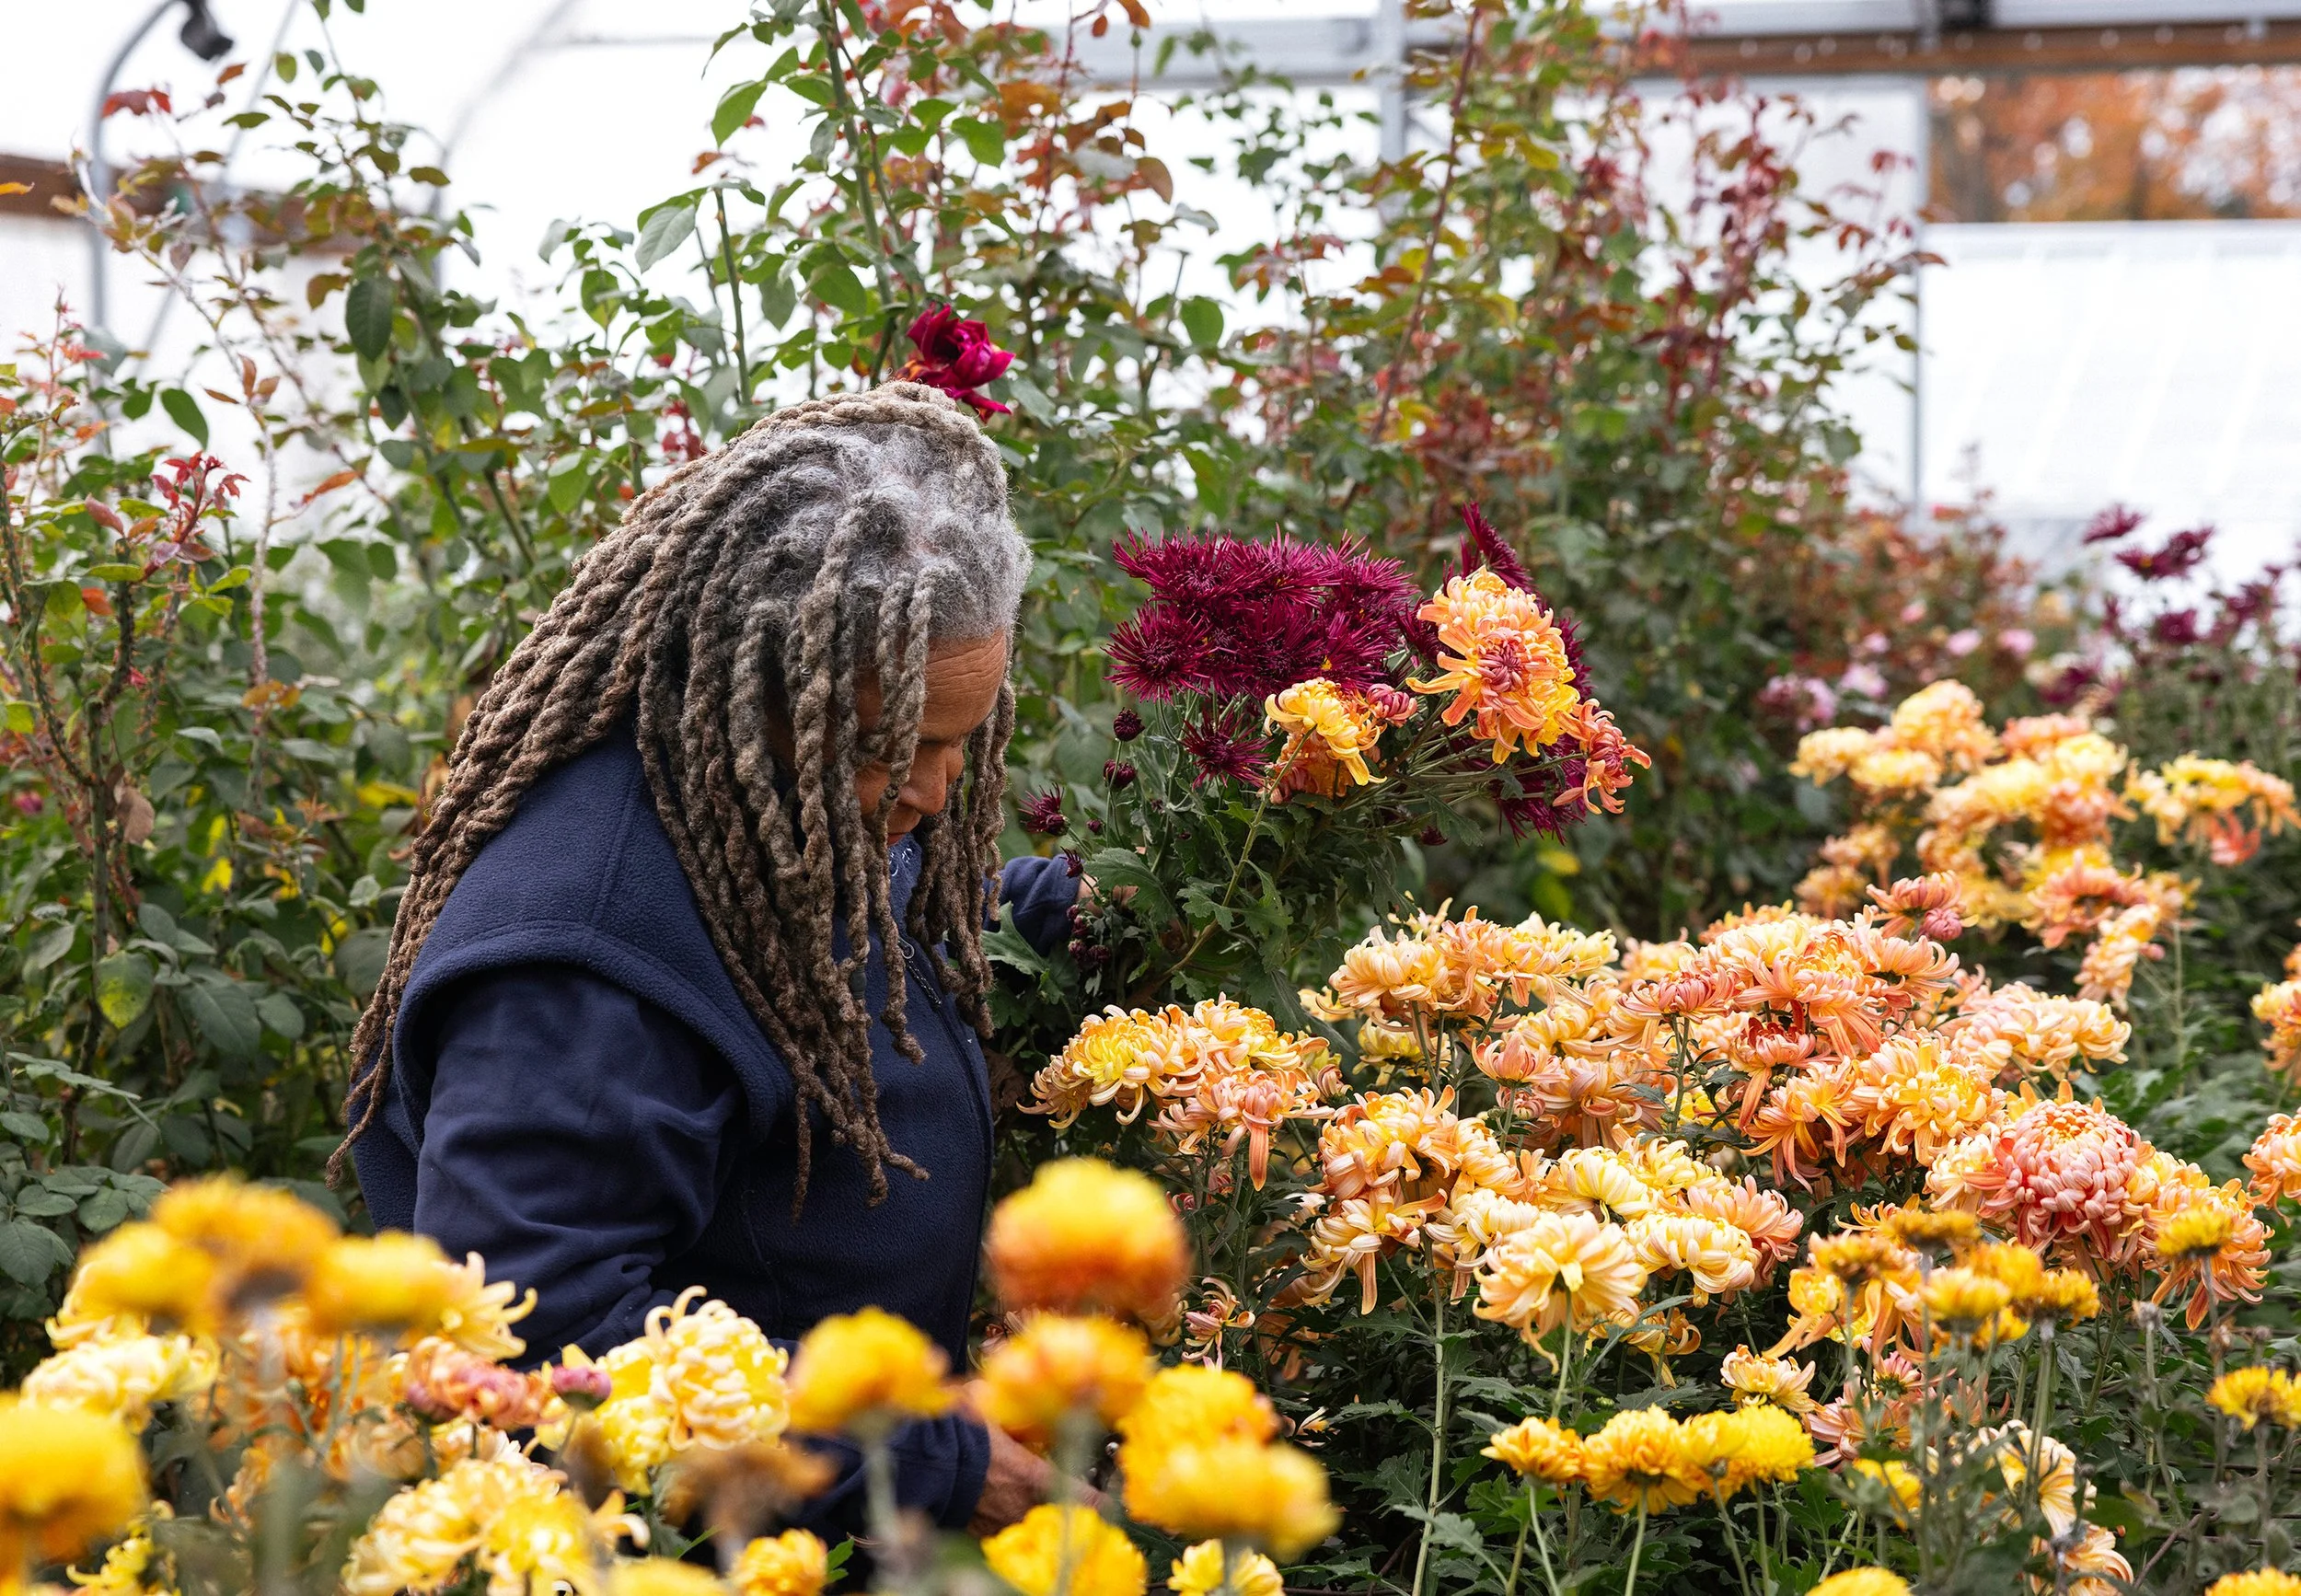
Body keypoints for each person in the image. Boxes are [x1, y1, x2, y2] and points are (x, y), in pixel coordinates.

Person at [335, 383, 1072, 1537]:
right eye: (901, 751)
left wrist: (1063, 916)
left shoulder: (777, 806)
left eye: (960, 744)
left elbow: (895, 919)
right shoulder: (581, 960)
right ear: (767, 686)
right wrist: (913, 1462)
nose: (935, 795)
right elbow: (534, 1338)